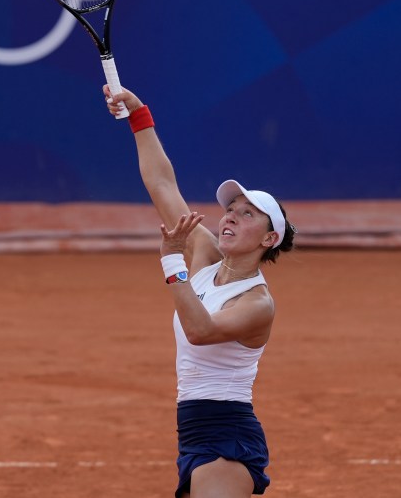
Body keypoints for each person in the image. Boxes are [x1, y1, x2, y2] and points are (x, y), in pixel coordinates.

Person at [104, 85, 296, 497]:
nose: (230, 217)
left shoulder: (257, 302)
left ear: (268, 240)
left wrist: (173, 262)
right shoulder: (206, 254)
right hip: (192, 430)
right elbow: (161, 184)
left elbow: (201, 330)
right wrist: (139, 117)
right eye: (230, 209)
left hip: (227, 437)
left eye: (248, 215)